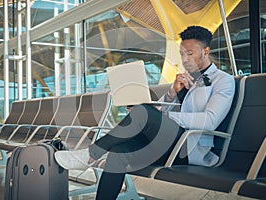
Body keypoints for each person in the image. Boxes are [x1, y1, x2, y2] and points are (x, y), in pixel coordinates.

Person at [55, 25, 235, 200]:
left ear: (205, 51)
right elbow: (158, 110)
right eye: (181, 54)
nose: (185, 59)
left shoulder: (223, 81)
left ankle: (90, 154)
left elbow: (210, 121)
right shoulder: (184, 79)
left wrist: (162, 115)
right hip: (169, 145)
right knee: (118, 153)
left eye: (190, 53)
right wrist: (172, 93)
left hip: (192, 150)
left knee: (143, 111)